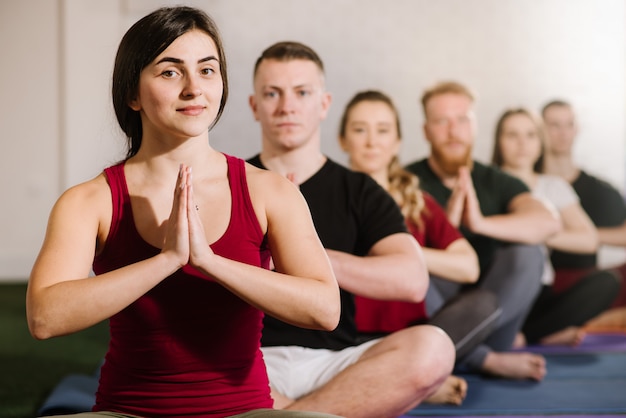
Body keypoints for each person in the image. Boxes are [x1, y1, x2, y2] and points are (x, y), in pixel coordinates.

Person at [26, 7, 343, 418]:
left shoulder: (268, 191)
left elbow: (324, 309)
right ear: (132, 94)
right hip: (128, 411)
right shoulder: (90, 200)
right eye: (170, 72)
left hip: (244, 412)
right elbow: (44, 317)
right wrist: (166, 261)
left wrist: (211, 262)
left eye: (207, 70)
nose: (194, 89)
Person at [247, 41, 455, 418]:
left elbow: (411, 280)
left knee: (434, 347)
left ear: (324, 104)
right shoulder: (230, 182)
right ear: (254, 106)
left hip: (336, 364)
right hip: (248, 361)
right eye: (272, 93)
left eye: (302, 92)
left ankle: (292, 413)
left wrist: (298, 254)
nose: (287, 106)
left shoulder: (359, 191)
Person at [337, 90, 502, 405]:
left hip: (409, 336)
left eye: (383, 130)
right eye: (360, 130)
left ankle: (410, 374)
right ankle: (416, 383)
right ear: (343, 140)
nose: (372, 141)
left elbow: (468, 266)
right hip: (345, 339)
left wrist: (401, 254)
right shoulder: (326, 197)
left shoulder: (418, 202)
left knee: (484, 304)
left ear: (397, 142)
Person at [405, 81, 561, 381]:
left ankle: (459, 353)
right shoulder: (407, 181)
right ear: (426, 130)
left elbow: (548, 222)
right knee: (407, 267)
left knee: (530, 253)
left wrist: (479, 223)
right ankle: (481, 359)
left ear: (475, 126)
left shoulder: (496, 181)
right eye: (441, 121)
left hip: (493, 319)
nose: (453, 130)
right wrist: (445, 231)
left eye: (462, 119)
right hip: (433, 311)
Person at [491, 107, 620, 346]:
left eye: (530, 135)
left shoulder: (552, 186)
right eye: (512, 135)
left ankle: (526, 336)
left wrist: (539, 232)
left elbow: (588, 240)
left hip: (540, 291)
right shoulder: (485, 182)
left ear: (541, 142)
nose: (522, 144)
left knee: (607, 282)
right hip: (499, 286)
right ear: (499, 142)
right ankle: (540, 334)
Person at [540, 100, 626, 308]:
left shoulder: (599, 189)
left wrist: (583, 235)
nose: (563, 133)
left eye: (569, 125)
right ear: (540, 130)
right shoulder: (530, 184)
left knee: (605, 282)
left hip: (588, 280)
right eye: (554, 125)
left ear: (576, 129)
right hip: (545, 281)